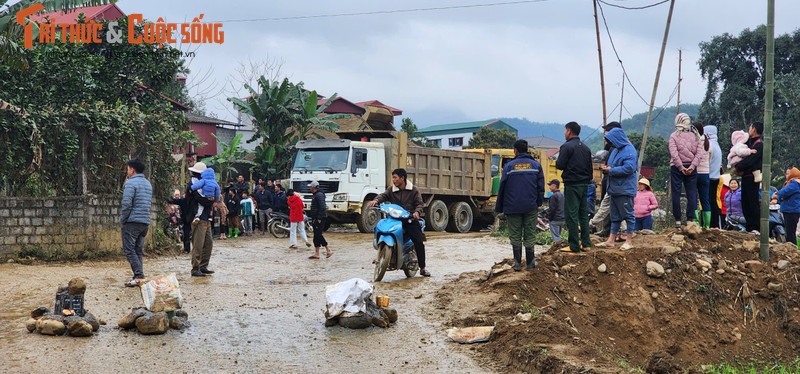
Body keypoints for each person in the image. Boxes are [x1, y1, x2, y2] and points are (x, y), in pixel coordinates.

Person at [367, 168, 433, 275]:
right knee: (379, 228)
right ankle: (381, 254)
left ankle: (422, 268)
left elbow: (420, 204)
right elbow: (383, 196)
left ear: (402, 178)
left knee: (418, 241)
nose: (393, 180)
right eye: (393, 177)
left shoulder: (413, 190)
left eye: (395, 177)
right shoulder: (391, 190)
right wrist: (376, 200)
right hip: (394, 219)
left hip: (410, 220)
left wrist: (416, 212)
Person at [491, 140, 544, 270]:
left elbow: (502, 187)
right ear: (527, 150)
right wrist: (538, 203)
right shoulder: (536, 166)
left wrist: (499, 208)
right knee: (530, 233)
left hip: (512, 206)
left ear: (516, 150)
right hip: (530, 206)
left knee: (515, 234)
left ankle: (517, 264)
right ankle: (531, 263)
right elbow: (540, 187)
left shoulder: (509, 167)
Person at [596, 128, 638, 250]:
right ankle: (611, 240)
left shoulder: (630, 150)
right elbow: (614, 165)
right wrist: (607, 168)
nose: (610, 143)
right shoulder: (615, 150)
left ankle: (629, 241)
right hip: (614, 189)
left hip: (625, 189)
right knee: (615, 216)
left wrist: (611, 170)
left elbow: (629, 168)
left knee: (628, 215)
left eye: (611, 140)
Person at [555, 122, 593, 253]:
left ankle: (574, 245)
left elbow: (560, 165)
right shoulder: (586, 148)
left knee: (571, 215)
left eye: (565, 130)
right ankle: (586, 244)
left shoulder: (566, 147)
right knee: (583, 214)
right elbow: (590, 169)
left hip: (572, 184)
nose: (564, 133)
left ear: (569, 131)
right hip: (584, 184)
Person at [119, 159, 153, 287]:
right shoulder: (147, 184)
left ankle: (139, 276)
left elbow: (127, 204)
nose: (127, 171)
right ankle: (139, 276)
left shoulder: (130, 183)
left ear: (132, 170)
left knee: (129, 250)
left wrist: (123, 219)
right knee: (137, 250)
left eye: (128, 169)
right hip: (144, 222)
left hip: (132, 222)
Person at [668, 113, 703, 227]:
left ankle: (678, 220)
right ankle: (690, 219)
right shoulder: (696, 135)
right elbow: (699, 153)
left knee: (676, 193)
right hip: (692, 168)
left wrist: (680, 167)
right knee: (692, 193)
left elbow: (673, 153)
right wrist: (692, 166)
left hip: (677, 168)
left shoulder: (673, 136)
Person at [590, 121, 622, 237]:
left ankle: (616, 231)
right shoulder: (610, 146)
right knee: (607, 203)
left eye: (608, 131)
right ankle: (607, 229)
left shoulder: (620, 147)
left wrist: (610, 169)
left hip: (614, 179)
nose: (606, 134)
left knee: (613, 206)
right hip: (607, 177)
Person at [734, 122, 764, 233]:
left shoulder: (759, 144)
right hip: (745, 177)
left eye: (750, 127)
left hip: (752, 177)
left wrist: (738, 167)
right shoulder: (748, 143)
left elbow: (751, 160)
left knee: (752, 202)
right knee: (745, 202)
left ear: (754, 129)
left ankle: (755, 227)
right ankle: (749, 226)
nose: (749, 129)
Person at [187, 166, 217, 277]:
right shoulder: (193, 185)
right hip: (198, 218)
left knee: (208, 243)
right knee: (198, 244)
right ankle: (195, 268)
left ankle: (203, 266)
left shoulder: (203, 183)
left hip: (206, 218)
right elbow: (200, 199)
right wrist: (211, 202)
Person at [693, 123, 712, 229]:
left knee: (693, 198)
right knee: (705, 199)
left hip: (695, 173)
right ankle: (707, 226)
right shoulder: (708, 143)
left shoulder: (695, 142)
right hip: (705, 173)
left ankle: (696, 223)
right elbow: (710, 158)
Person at [308, 181, 332, 260]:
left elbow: (322, 207)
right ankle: (317, 253)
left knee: (318, 235)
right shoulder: (316, 195)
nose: (309, 188)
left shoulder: (319, 195)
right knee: (316, 235)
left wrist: (319, 218)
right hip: (315, 218)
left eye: (310, 187)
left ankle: (328, 249)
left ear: (314, 187)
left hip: (320, 218)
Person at [705, 125, 723, 228]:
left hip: (709, 176)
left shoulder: (710, 145)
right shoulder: (717, 145)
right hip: (715, 176)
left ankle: (712, 224)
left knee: (709, 201)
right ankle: (714, 224)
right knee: (713, 200)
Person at [777, 167, 800, 245]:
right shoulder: (791, 182)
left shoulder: (794, 183)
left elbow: (783, 192)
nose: (787, 175)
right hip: (790, 210)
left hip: (791, 210)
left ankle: (793, 250)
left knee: (790, 233)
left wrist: (778, 195)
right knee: (789, 231)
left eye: (789, 173)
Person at [168, 189, 195, 253]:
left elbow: (173, 201)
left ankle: (187, 249)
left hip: (186, 220)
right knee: (195, 234)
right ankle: (196, 249)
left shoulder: (183, 201)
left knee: (186, 235)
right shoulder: (194, 201)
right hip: (194, 219)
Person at [546, 179, 565, 245]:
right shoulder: (563, 195)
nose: (549, 187)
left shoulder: (553, 196)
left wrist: (549, 218)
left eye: (550, 185)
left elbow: (552, 209)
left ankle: (559, 249)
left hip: (555, 219)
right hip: (562, 219)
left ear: (554, 186)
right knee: (558, 235)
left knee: (556, 237)